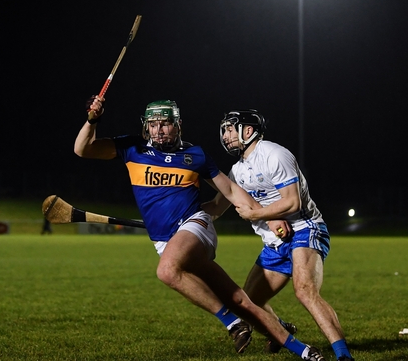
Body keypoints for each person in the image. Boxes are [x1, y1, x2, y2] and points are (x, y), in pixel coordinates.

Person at [75, 97, 326, 360]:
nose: (158, 130)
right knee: (241, 301)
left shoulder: (194, 155)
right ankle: (304, 350)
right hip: (165, 241)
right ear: (145, 127)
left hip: (195, 226)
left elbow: (229, 190)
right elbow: (83, 149)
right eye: (153, 124)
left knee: (167, 271)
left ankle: (231, 323)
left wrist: (267, 218)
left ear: (178, 125)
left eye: (165, 124)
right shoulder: (132, 148)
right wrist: (93, 120)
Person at [202, 110, 354, 361]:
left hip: (305, 229)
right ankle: (281, 332)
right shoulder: (238, 169)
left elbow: (292, 203)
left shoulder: (274, 154)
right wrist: (182, 214)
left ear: (248, 131)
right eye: (225, 130)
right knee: (247, 304)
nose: (225, 135)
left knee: (304, 291)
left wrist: (255, 215)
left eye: (230, 129)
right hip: (274, 244)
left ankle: (343, 356)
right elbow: (217, 207)